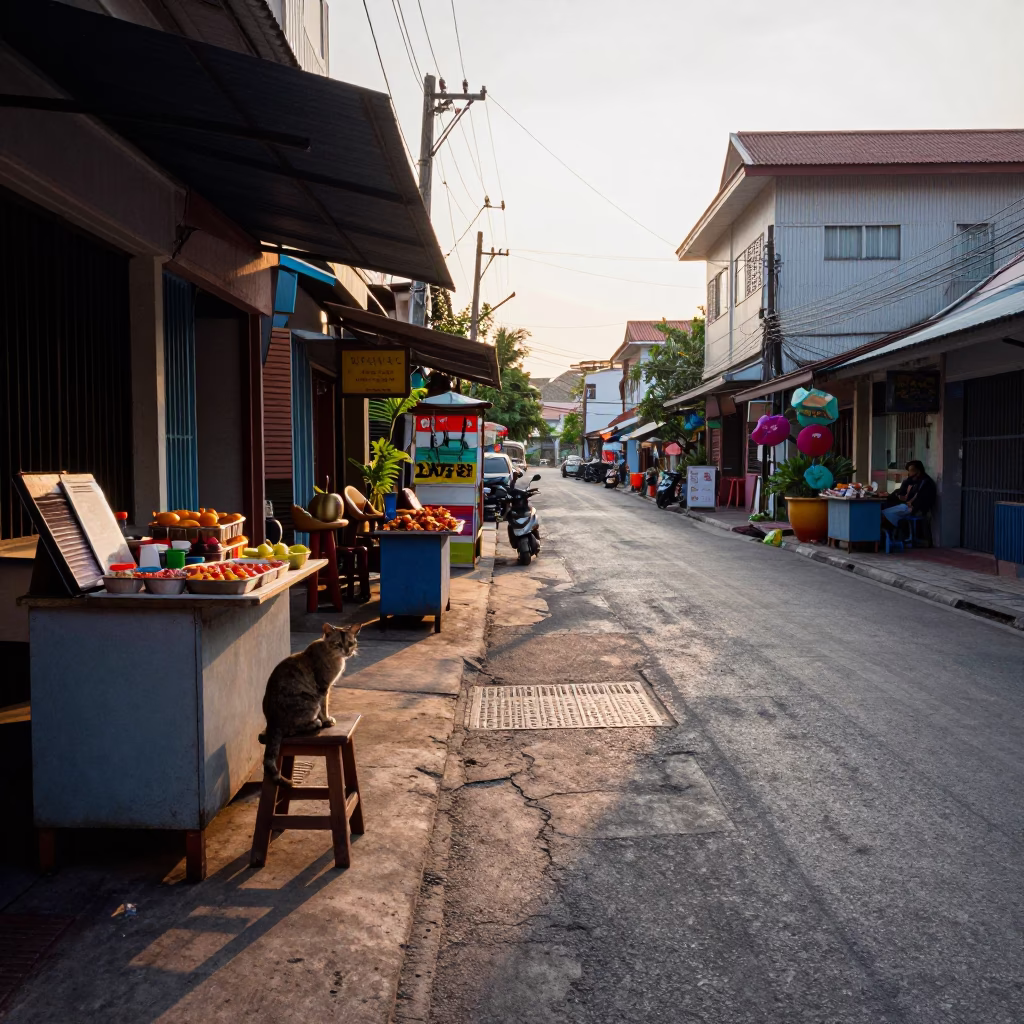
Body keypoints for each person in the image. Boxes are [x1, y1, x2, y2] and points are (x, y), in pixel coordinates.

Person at [883, 460, 936, 536]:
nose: (909, 474)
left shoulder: (926, 483)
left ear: (918, 471)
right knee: (884, 511)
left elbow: (922, 500)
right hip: (907, 506)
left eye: (911, 471)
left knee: (884, 515)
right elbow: (901, 492)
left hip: (914, 509)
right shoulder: (914, 481)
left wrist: (912, 505)